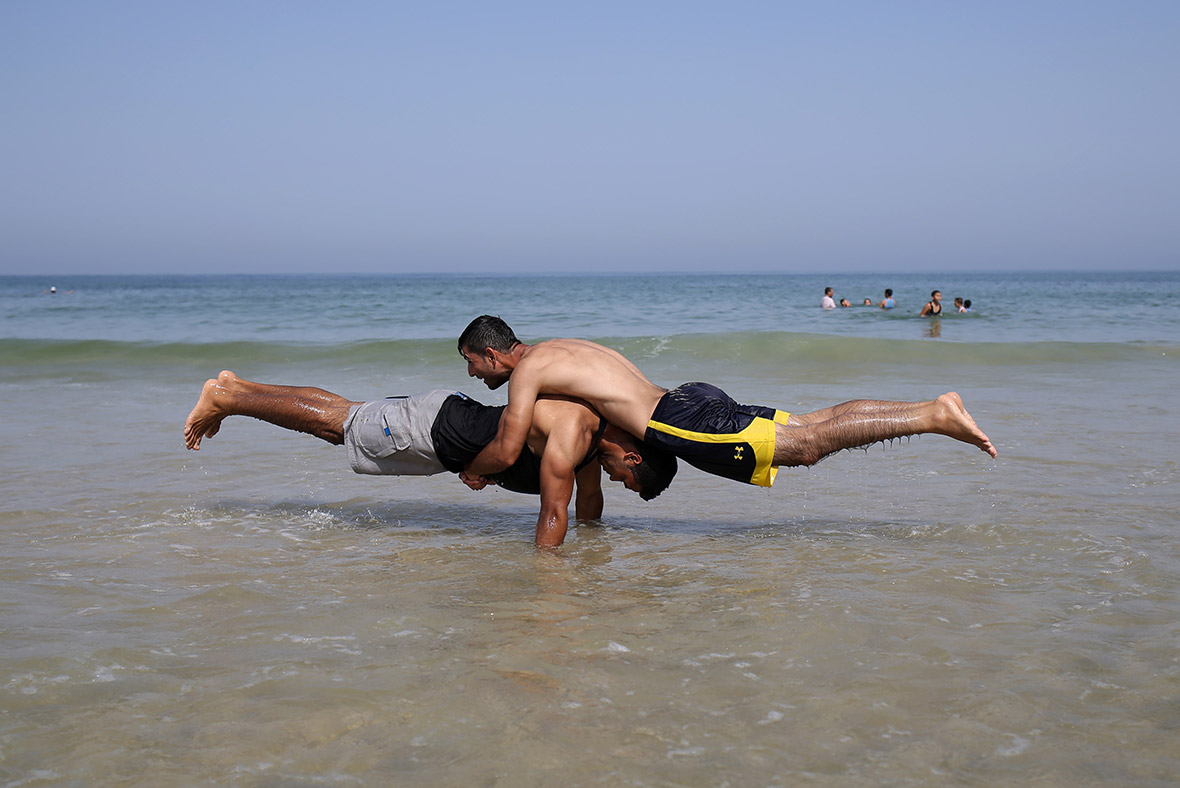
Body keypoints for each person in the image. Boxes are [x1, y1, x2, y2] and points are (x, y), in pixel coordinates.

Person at [457, 316, 997, 491]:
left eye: (470, 363)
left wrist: (474, 474)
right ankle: (932, 411)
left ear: (490, 354)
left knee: (806, 446)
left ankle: (931, 415)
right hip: (689, 397)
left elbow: (507, 447)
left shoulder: (529, 371)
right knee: (809, 427)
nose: (470, 374)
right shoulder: (564, 348)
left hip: (675, 420)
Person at [183, 370, 677, 549]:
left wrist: (594, 548)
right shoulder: (578, 435)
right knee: (339, 423)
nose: (615, 481)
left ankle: (238, 389)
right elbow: (554, 512)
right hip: (438, 428)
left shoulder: (592, 441)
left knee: (344, 417)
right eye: (626, 480)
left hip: (447, 426)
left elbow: (587, 503)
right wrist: (547, 586)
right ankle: (228, 398)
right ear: (631, 456)